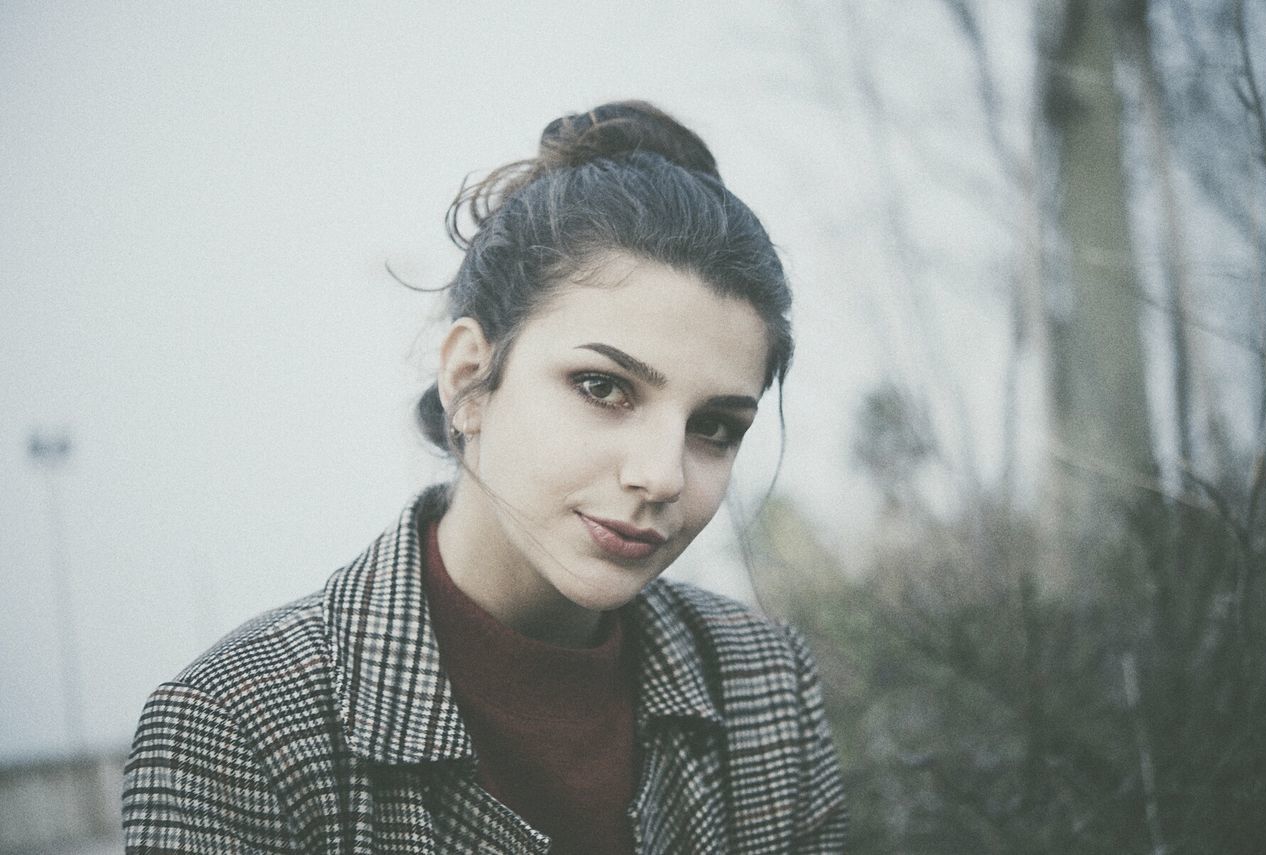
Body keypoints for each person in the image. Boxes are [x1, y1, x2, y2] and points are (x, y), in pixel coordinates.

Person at [122, 101, 848, 853]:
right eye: (603, 387)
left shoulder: (764, 686)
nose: (661, 476)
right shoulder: (239, 729)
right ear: (469, 378)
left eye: (714, 428)